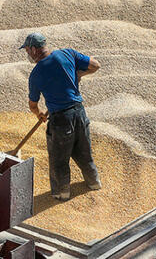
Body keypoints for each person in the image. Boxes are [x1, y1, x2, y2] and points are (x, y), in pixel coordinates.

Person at [20, 32, 101, 201]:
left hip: (60, 120)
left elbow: (33, 104)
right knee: (84, 153)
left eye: (27, 50)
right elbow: (95, 65)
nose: (27, 54)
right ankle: (94, 183)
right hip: (80, 113)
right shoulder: (68, 53)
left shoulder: (36, 74)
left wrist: (39, 114)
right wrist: (78, 75)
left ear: (34, 49)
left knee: (59, 159)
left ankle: (61, 193)